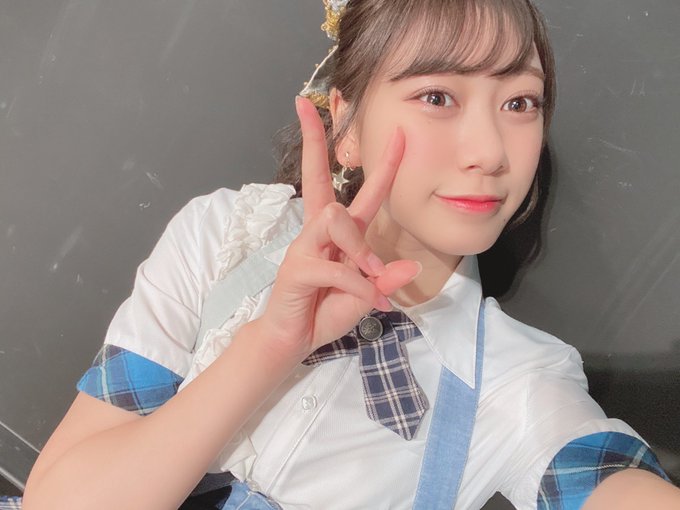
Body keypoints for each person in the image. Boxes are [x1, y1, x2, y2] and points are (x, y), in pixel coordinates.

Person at [17, 0, 680, 509]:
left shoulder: (517, 380)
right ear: (347, 126)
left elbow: (609, 485)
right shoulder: (224, 235)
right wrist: (268, 346)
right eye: (437, 97)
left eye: (520, 102)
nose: (489, 151)